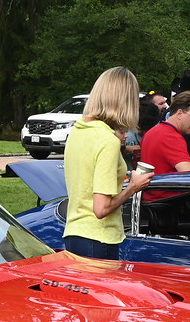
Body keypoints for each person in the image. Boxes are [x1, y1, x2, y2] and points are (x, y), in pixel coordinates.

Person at [62, 66, 154, 260]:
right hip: (99, 238)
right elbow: (101, 209)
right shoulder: (108, 140)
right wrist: (133, 188)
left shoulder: (78, 131)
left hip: (73, 233)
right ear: (125, 101)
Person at [139, 90, 190, 200]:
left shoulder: (151, 132)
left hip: (149, 201)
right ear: (179, 113)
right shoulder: (171, 136)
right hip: (169, 204)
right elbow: (188, 172)